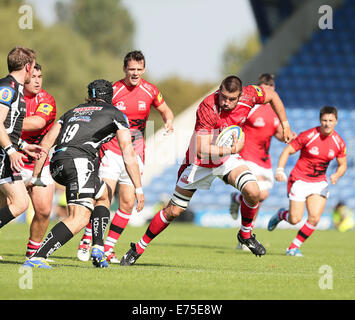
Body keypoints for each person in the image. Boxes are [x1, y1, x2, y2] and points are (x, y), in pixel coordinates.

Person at [119, 75, 293, 266]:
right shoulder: (207, 107)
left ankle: (245, 234)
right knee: (173, 211)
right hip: (200, 162)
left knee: (254, 191)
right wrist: (232, 149)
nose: (226, 102)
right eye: (223, 97)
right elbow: (202, 148)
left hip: (226, 159)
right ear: (219, 90)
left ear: (241, 95)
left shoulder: (251, 95)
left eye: (231, 99)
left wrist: (284, 124)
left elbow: (272, 96)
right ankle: (138, 248)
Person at [23, 79, 144, 269]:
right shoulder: (116, 114)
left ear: (89, 95)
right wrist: (138, 187)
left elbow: (46, 143)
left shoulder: (72, 112)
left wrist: (35, 176)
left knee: (104, 195)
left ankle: (97, 246)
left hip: (57, 164)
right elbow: (128, 152)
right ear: (110, 96)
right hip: (79, 163)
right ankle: (38, 257)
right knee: (79, 218)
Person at [76, 50, 174, 263]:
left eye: (139, 69)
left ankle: (108, 248)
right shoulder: (114, 90)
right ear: (124, 69)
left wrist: (168, 121)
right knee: (104, 197)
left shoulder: (150, 91)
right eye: (131, 69)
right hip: (111, 150)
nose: (135, 73)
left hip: (136, 153)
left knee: (128, 203)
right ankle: (87, 238)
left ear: (144, 69)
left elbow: (166, 110)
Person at [267, 106, 347, 256]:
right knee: (294, 219)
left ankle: (293, 248)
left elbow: (343, 165)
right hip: (299, 179)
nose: (327, 124)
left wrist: (337, 175)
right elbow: (288, 151)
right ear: (320, 120)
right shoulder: (309, 135)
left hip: (319, 182)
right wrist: (279, 170)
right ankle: (281, 215)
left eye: (330, 120)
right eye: (324, 120)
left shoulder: (339, 143)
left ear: (336, 121)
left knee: (315, 218)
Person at [229, 73, 295, 250]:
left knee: (258, 198)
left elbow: (279, 134)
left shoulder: (274, 111)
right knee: (257, 194)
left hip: (264, 161)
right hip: (247, 157)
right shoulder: (250, 107)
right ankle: (245, 234)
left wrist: (288, 136)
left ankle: (238, 208)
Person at [0, 47, 46, 232]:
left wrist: (24, 145)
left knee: (19, 202)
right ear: (28, 67)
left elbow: (8, 128)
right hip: (3, 154)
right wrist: (11, 151)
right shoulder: (7, 88)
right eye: (33, 67)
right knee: (20, 202)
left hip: (5, 152)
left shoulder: (15, 88)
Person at [20, 63, 57, 258]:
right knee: (8, 208)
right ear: (24, 77)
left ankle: (32, 255)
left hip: (39, 163)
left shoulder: (46, 99)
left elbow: (38, 123)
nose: (37, 81)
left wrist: (6, 121)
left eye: (40, 77)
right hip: (12, 160)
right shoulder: (12, 96)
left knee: (43, 211)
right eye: (33, 76)